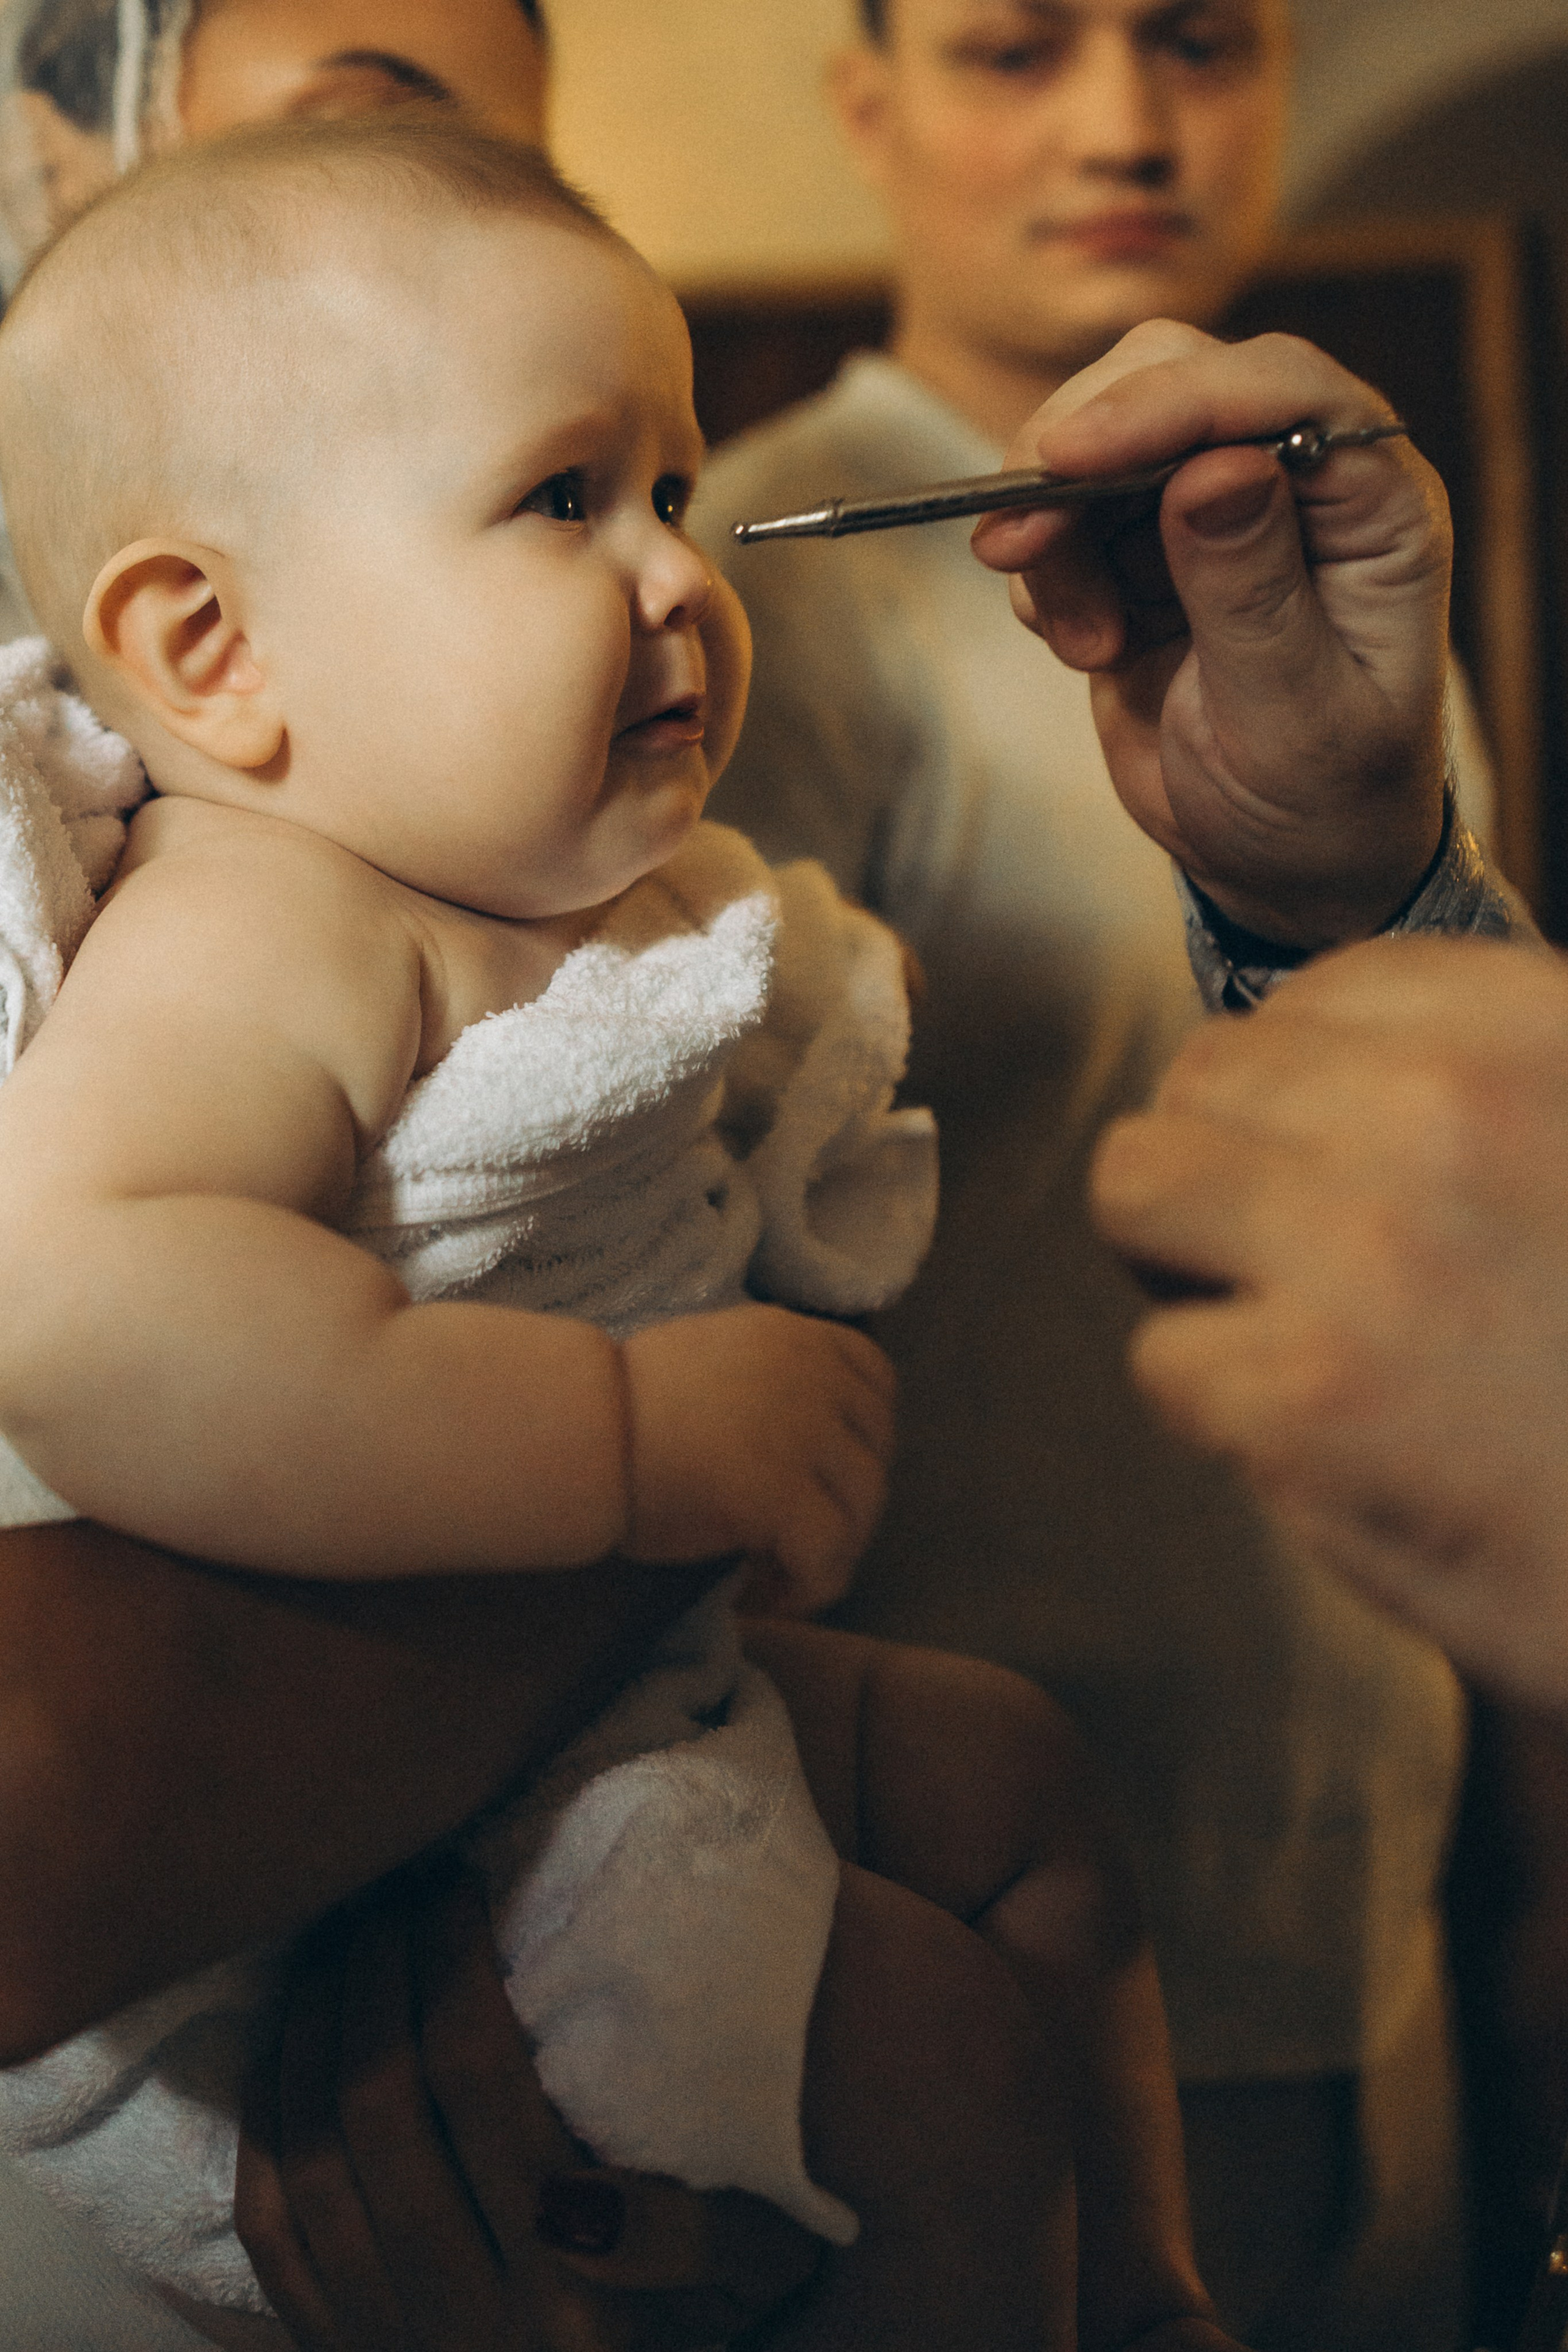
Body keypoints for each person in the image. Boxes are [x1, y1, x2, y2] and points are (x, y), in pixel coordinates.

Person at [0, 115, 1246, 2352]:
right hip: (348, 1870)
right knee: (933, 2056)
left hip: (619, 1705)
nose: (679, 569)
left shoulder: (541, 888)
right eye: (563, 497)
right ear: (212, 647)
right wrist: (622, 1437)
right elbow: (91, 1309)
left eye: (671, 488)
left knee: (1016, 1776)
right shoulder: (258, 931)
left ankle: (1149, 2306)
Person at [690, 4, 1493, 2343]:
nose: (1128, 125)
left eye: (1200, 42)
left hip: (1372, 1880)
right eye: (1019, 50)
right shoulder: (762, 599)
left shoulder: (1344, 575)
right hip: (998, 1954)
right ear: (870, 110)